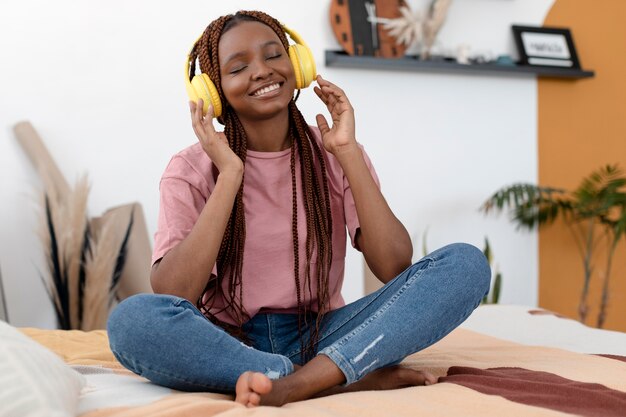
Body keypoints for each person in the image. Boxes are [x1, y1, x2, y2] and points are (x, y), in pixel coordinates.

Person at [107, 10, 490, 408]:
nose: (261, 71)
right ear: (212, 91)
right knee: (131, 320)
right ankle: (332, 378)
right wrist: (229, 175)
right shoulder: (191, 168)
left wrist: (347, 154)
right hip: (228, 340)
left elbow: (394, 264)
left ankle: (294, 382)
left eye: (274, 55)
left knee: (466, 264)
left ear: (298, 65)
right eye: (239, 67)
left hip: (323, 333)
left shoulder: (335, 151)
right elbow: (175, 292)